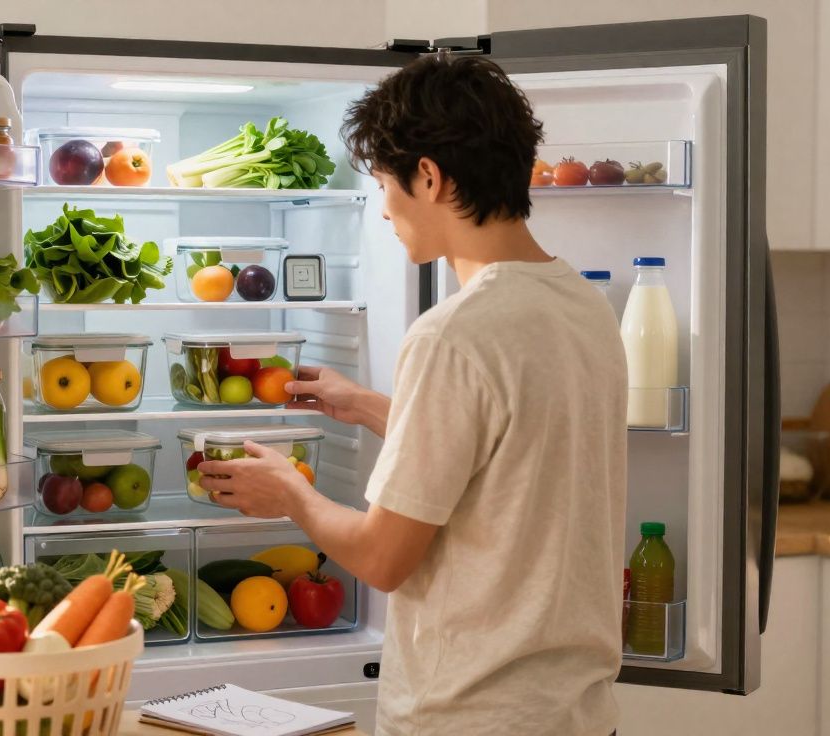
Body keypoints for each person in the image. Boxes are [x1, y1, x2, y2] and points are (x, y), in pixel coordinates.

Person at [197, 54, 628, 735]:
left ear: (427, 176)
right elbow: (508, 459)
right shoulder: (582, 304)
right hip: (575, 713)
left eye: (381, 185)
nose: (385, 210)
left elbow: (381, 558)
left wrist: (291, 496)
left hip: (470, 716)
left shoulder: (453, 335)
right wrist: (367, 406)